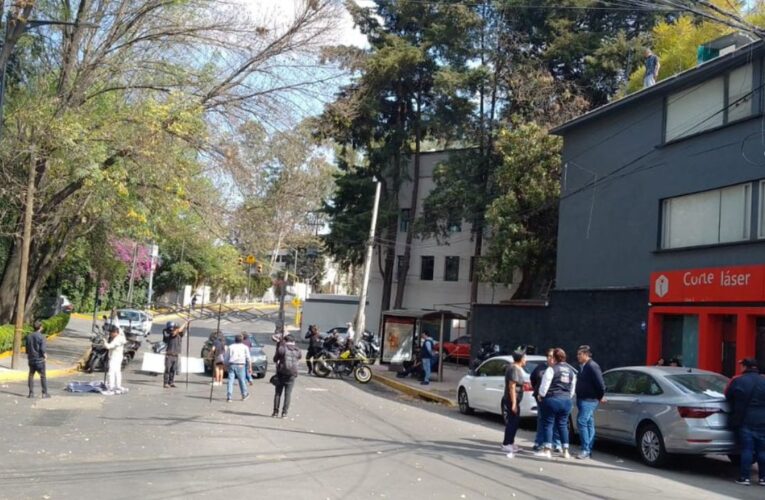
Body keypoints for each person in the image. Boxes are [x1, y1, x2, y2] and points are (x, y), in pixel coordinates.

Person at [725, 358, 765, 486]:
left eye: (742, 365)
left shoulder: (738, 380)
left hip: (745, 418)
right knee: (762, 450)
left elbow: (727, 394)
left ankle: (744, 477)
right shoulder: (763, 381)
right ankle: (763, 478)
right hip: (762, 419)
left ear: (745, 367)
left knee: (747, 449)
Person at [536, 348, 577, 459]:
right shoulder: (571, 371)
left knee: (548, 424)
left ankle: (547, 450)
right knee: (563, 425)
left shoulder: (551, 369)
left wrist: (541, 395)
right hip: (566, 401)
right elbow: (572, 390)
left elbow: (544, 387)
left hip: (552, 399)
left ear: (554, 357)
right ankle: (566, 451)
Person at [575, 345, 606, 459]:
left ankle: (586, 449)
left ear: (586, 354)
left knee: (581, 421)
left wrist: (599, 396)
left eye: (580, 354)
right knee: (588, 423)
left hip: (589, 400)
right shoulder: (583, 366)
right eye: (578, 354)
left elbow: (601, 384)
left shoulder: (592, 366)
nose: (577, 356)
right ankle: (588, 447)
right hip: (582, 399)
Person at [531, 349, 561, 452]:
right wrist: (539, 393)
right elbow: (533, 380)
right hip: (542, 399)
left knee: (556, 422)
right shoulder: (540, 368)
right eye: (548, 356)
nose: (550, 358)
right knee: (541, 420)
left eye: (552, 356)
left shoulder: (559, 368)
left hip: (555, 399)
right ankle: (539, 442)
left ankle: (557, 444)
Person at [502, 351, 527, 458]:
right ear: (520, 359)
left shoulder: (516, 368)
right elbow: (512, 386)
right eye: (525, 358)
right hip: (512, 399)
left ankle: (511, 442)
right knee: (512, 422)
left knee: (515, 422)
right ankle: (506, 443)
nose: (526, 360)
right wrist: (514, 403)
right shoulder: (514, 369)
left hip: (515, 399)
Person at [273, 334, 302, 418]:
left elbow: (275, 359)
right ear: (294, 341)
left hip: (281, 373)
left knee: (278, 393)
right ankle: (284, 413)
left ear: (285, 341)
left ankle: (275, 412)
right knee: (288, 394)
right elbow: (299, 357)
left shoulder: (282, 348)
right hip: (292, 374)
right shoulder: (298, 350)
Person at [25, 320, 50, 399]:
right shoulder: (42, 337)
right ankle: (44, 393)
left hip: (31, 359)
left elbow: (26, 349)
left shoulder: (29, 336)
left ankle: (31, 393)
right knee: (42, 376)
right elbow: (42, 349)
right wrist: (45, 355)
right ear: (40, 327)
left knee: (31, 375)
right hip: (39, 360)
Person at [225, 334, 251, 402]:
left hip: (232, 364)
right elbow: (248, 358)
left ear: (235, 340)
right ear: (242, 340)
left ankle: (229, 396)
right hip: (241, 365)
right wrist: (250, 367)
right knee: (242, 380)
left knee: (230, 380)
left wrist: (225, 365)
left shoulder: (231, 347)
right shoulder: (245, 347)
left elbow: (226, 357)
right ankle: (244, 394)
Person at [103, 324, 127, 395]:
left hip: (115, 357)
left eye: (111, 333)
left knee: (111, 372)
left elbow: (108, 346)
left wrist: (104, 341)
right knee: (117, 372)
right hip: (119, 356)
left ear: (115, 332)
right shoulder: (121, 336)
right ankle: (118, 386)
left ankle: (111, 388)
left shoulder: (117, 340)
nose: (110, 334)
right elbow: (118, 325)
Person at [162, 320, 187, 388]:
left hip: (176, 355)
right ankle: (165, 383)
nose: (176, 328)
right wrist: (185, 323)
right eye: (175, 327)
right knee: (167, 369)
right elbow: (177, 331)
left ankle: (171, 382)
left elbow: (182, 331)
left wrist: (187, 325)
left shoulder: (179, 334)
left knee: (173, 370)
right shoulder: (169, 333)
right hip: (169, 355)